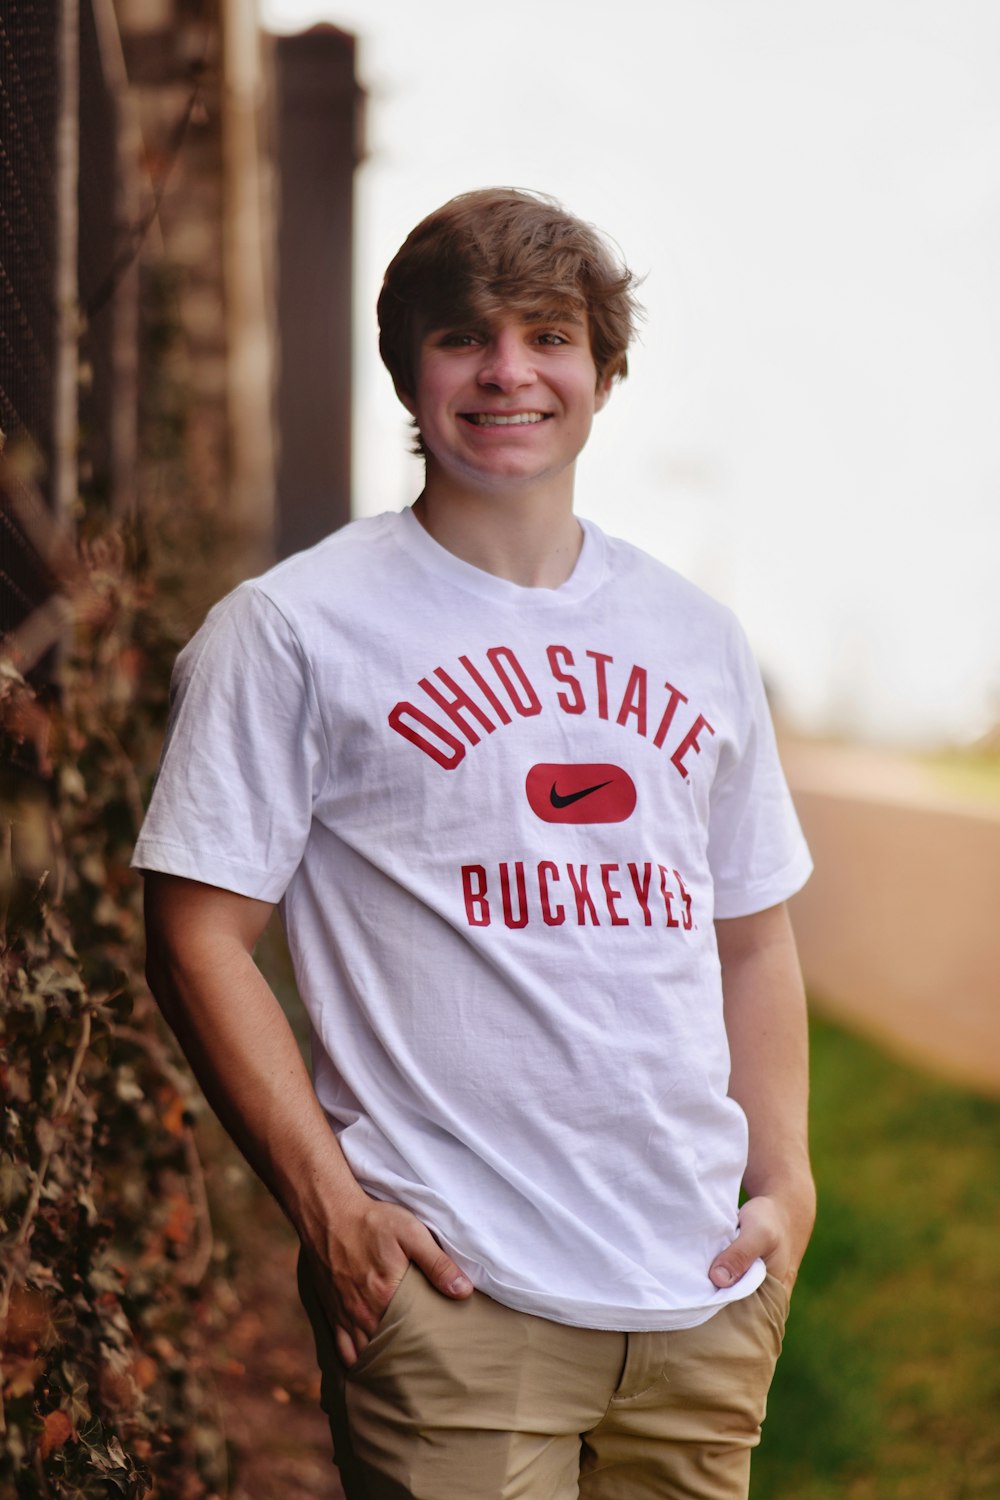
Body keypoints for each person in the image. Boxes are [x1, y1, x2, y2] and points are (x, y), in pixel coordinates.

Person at [135, 187, 816, 1500]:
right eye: (466, 336)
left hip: (700, 1294)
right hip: (457, 1295)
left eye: (549, 334)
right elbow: (195, 934)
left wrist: (786, 1190)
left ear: (602, 371)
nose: (510, 370)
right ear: (409, 366)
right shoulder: (293, 629)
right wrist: (329, 1209)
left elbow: (753, 935)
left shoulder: (696, 637)